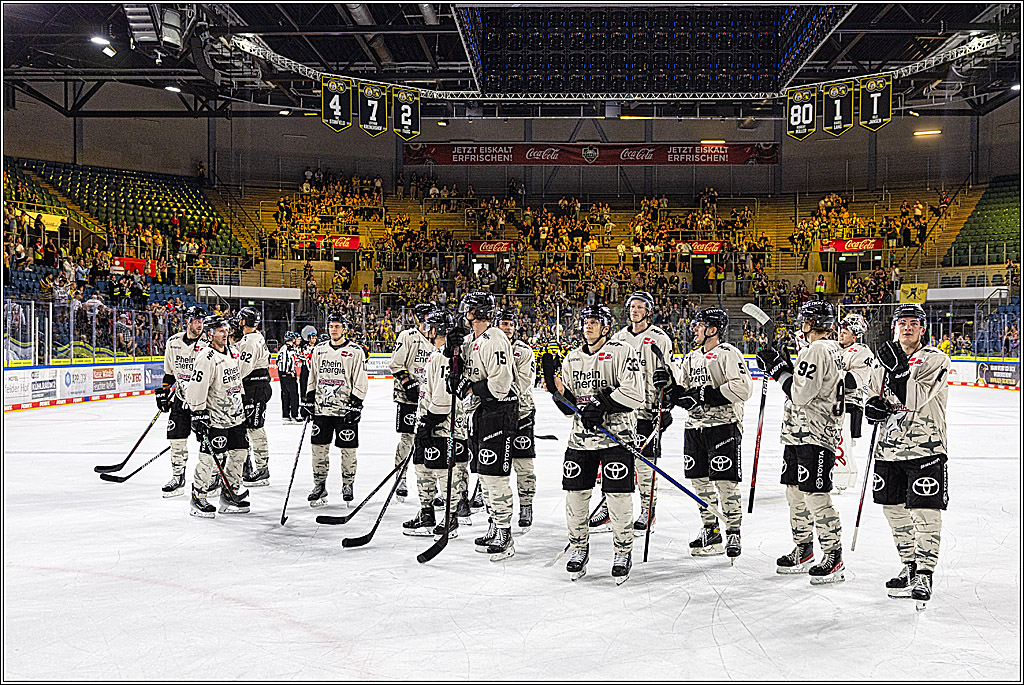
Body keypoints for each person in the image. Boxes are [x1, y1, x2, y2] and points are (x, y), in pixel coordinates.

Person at [545, 303, 645, 583]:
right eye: (585, 321)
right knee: (576, 498)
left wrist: (603, 404)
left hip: (617, 438)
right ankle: (579, 548)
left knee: (618, 498)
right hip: (580, 441)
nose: (587, 325)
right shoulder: (572, 359)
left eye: (594, 321)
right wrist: (555, 388)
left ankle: (623, 550)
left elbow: (635, 393)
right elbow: (569, 407)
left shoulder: (621, 352)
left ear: (606, 327)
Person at [865, 303, 950, 606]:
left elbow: (915, 398)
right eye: (903, 322)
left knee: (925, 512)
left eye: (914, 323)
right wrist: (871, 407)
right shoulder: (882, 358)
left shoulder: (935, 359)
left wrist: (900, 371)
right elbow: (873, 394)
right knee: (894, 511)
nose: (908, 327)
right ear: (895, 327)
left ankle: (925, 572)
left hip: (924, 448)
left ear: (923, 328)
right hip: (888, 450)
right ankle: (909, 564)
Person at [757, 300, 847, 584]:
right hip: (800, 433)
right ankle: (804, 547)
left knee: (815, 496)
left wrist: (778, 370)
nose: (800, 323)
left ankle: (833, 553)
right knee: (795, 493)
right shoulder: (832, 349)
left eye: (804, 319)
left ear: (812, 322)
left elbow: (799, 394)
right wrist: (786, 366)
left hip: (815, 433)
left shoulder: (817, 349)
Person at [667, 308, 753, 559]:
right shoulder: (692, 357)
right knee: (699, 482)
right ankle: (711, 530)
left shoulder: (727, 353)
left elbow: (743, 388)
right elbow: (682, 391)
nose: (694, 329)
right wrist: (670, 388)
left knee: (726, 482)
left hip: (723, 426)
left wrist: (706, 395)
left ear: (713, 329)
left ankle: (733, 531)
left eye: (700, 325)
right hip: (695, 428)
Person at [446, 291, 518, 560]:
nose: (465, 312)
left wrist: (469, 387)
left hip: (498, 412)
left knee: (494, 475)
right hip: (479, 413)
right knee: (484, 475)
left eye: (469, 309)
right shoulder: (471, 340)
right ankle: (493, 524)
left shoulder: (495, 339)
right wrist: (450, 351)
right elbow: (457, 369)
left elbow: (499, 384)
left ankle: (504, 531)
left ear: (477, 312)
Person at [605, 291, 673, 535]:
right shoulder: (619, 338)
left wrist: (664, 406)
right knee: (616, 461)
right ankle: (609, 507)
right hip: (622, 411)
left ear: (649, 311)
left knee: (645, 466)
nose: (634, 310)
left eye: (640, 306)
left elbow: (668, 376)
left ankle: (648, 509)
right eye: (631, 306)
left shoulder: (659, 338)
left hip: (646, 410)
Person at [402, 309, 471, 538]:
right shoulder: (436, 355)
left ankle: (450, 519)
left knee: (443, 471)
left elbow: (443, 396)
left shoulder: (446, 357)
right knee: (422, 467)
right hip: (427, 419)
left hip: (441, 424)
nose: (425, 330)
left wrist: (429, 422)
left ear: (435, 329)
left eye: (428, 326)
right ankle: (427, 513)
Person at [300, 312, 368, 507]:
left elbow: (360, 379)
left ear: (344, 328)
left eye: (337, 326)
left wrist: (356, 403)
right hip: (322, 409)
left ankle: (348, 484)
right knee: (318, 450)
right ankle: (319, 485)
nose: (334, 329)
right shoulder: (319, 349)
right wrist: (309, 398)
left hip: (345, 410)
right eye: (331, 326)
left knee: (348, 450)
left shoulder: (355, 351)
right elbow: (312, 376)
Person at [185, 314, 250, 517]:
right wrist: (198, 413)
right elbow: (197, 387)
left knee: (240, 454)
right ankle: (199, 497)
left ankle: (230, 494)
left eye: (226, 330)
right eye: (220, 331)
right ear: (210, 333)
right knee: (209, 459)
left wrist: (243, 402)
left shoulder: (232, 352)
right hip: (216, 418)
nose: (225, 333)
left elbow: (236, 381)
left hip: (236, 417)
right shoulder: (206, 357)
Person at [154, 305, 209, 498]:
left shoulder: (208, 344)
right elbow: (170, 372)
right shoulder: (173, 342)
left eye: (201, 320)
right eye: (195, 320)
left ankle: (211, 478)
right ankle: (178, 477)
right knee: (176, 439)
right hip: (180, 398)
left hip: (203, 402)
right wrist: (164, 391)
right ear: (187, 322)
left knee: (207, 442)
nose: (199, 324)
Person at [495, 307, 537, 532]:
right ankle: (494, 507)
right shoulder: (488, 346)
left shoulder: (523, 351)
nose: (508, 328)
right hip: (495, 415)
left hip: (521, 412)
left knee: (523, 462)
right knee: (492, 461)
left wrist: (494, 391)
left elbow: (522, 384)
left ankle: (526, 504)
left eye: (511, 324)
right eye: (504, 323)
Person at [389, 303, 437, 501]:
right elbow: (395, 363)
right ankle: (400, 476)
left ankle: (430, 482)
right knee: (408, 439)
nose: (429, 320)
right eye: (425, 316)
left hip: (431, 399)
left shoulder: (438, 339)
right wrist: (408, 384)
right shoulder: (408, 336)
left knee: (431, 439)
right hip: (408, 398)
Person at [833, 313, 875, 494]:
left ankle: (842, 477)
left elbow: (853, 381)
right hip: (831, 403)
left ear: (855, 335)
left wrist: (827, 374)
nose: (840, 334)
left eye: (845, 331)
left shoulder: (862, 351)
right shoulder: (833, 347)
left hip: (850, 405)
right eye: (840, 331)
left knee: (844, 444)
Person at [232, 307, 273, 488]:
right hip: (255, 388)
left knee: (256, 428)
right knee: (249, 428)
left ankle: (262, 469)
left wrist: (230, 382)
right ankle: (249, 466)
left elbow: (243, 368)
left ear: (243, 321)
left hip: (254, 389)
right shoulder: (255, 338)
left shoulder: (250, 341)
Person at [277, 331, 301, 422]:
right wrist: (288, 372)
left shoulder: (286, 348)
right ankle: (294, 414)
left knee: (285, 394)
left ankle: (286, 414)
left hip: (284, 374)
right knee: (293, 394)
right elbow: (283, 363)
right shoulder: (286, 349)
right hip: (287, 375)